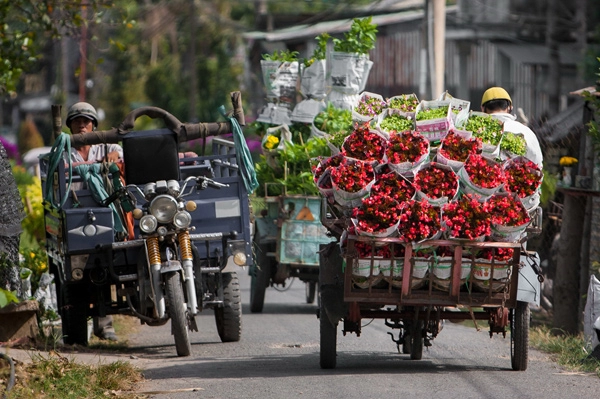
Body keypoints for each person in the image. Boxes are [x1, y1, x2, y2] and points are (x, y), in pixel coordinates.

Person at [65, 102, 120, 342]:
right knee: (80, 275)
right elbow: (62, 169)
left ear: (94, 125)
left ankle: (105, 324)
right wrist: (97, 166)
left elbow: (118, 158)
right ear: (69, 126)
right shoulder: (63, 150)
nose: (81, 124)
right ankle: (78, 330)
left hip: (106, 213)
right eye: (76, 120)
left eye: (86, 120)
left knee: (108, 268)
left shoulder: (108, 146)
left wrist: (101, 163)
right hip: (76, 216)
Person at [480, 87, 543, 167]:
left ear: (482, 108)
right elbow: (537, 164)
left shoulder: (473, 130)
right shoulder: (526, 132)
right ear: (510, 107)